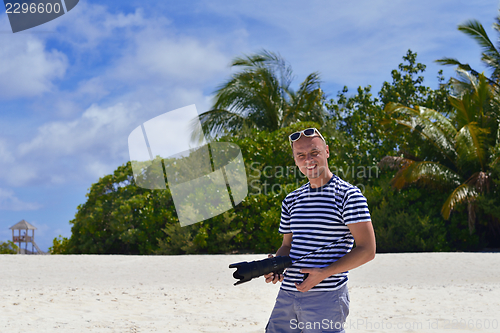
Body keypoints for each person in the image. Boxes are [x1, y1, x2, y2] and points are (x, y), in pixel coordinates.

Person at [264, 128, 376, 333]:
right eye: (301, 155)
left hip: (326, 297)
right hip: (286, 295)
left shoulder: (348, 195)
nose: (308, 160)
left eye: (314, 152)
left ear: (326, 151)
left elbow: (367, 250)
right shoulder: (291, 200)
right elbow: (287, 246)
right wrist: (276, 265)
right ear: (295, 160)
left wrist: (324, 273)